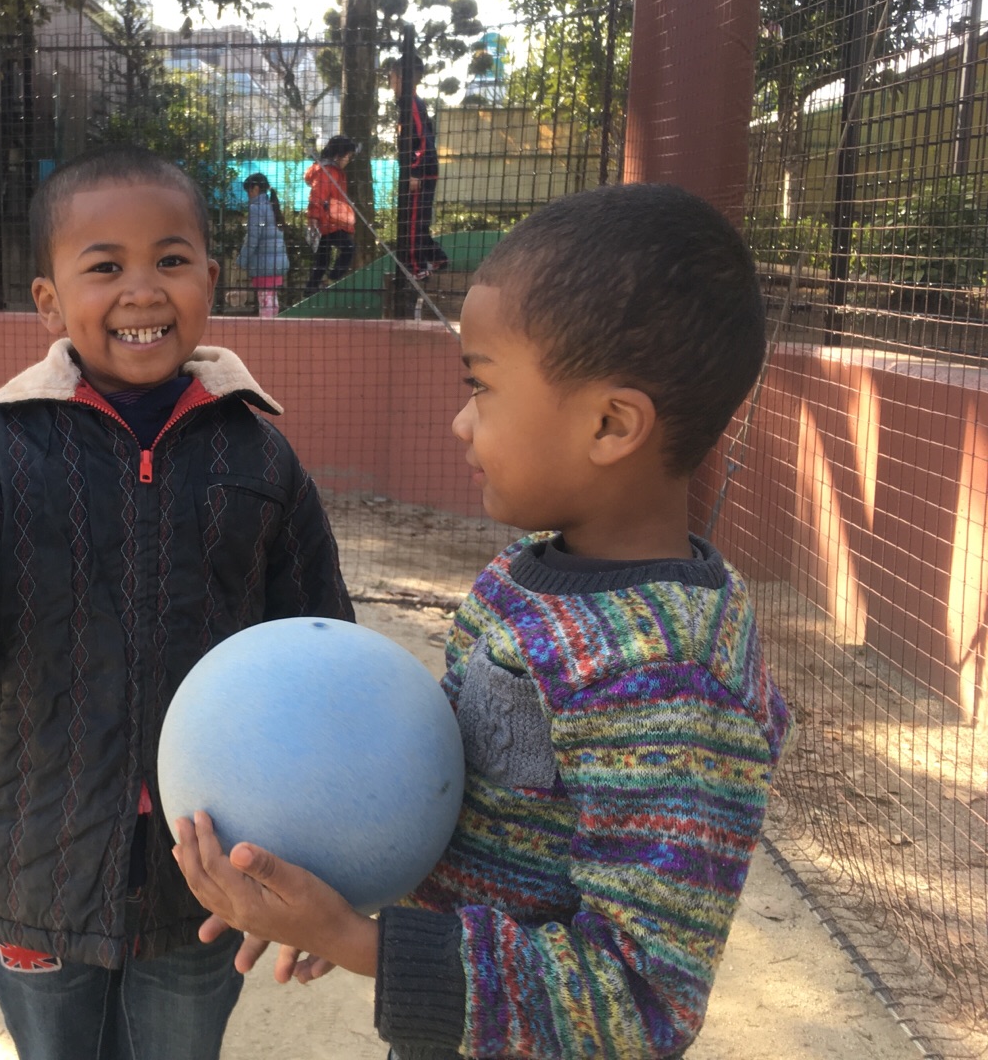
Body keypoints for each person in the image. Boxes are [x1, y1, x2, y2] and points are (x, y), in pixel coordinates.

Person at [172, 182, 794, 1060]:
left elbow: (640, 1001)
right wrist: (345, 891)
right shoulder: (525, 574)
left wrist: (365, 946)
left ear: (611, 424)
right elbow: (461, 802)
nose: (462, 422)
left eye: (483, 386)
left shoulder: (668, 675)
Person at [0, 145, 354, 1060]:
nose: (142, 289)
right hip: (38, 868)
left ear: (213, 279)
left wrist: (325, 863)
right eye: (105, 266)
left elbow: (320, 670)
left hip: (204, 879)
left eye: (171, 259)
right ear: (49, 301)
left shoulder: (260, 457)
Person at [389, 57, 449, 279]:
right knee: (417, 218)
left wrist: (414, 172)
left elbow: (424, 140)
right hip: (423, 169)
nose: (390, 84)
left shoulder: (412, 104)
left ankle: (416, 268)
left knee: (413, 221)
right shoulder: (410, 104)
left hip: (421, 171)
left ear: (401, 79)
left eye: (392, 78)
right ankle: (436, 257)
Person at [303, 135, 358, 295]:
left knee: (323, 259)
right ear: (338, 155)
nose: (349, 160)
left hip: (330, 221)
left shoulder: (333, 171)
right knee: (348, 248)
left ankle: (311, 289)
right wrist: (313, 217)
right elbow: (317, 195)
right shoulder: (327, 171)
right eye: (348, 156)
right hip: (327, 222)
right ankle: (331, 279)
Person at [238, 172, 290, 318]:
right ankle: (273, 325)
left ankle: (266, 327)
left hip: (263, 264)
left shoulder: (256, 208)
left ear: (255, 188)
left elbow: (253, 238)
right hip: (276, 263)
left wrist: (242, 260)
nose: (248, 195)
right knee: (271, 299)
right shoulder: (272, 205)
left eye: (248, 191)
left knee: (265, 301)